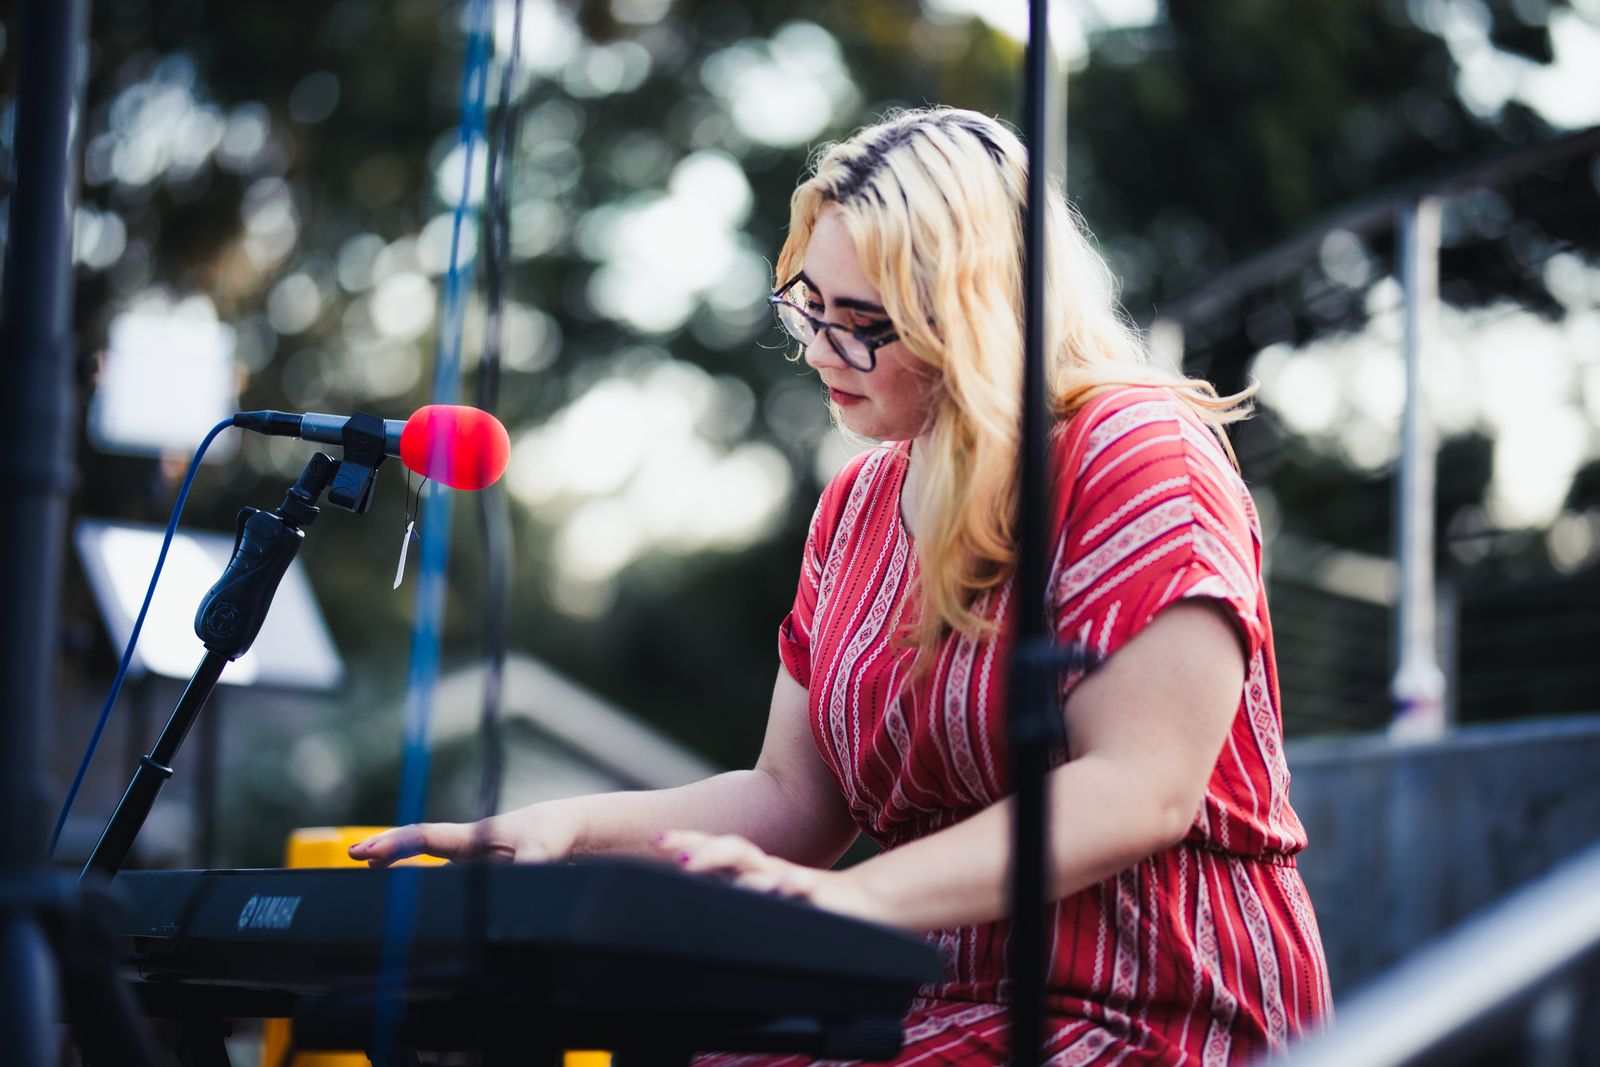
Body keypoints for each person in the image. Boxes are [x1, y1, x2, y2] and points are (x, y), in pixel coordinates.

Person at [351, 106, 1332, 1064]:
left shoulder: (1136, 450)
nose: (821, 349)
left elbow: (1139, 788)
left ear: (980, 315)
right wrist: (572, 830)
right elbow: (791, 799)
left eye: (863, 323)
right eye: (808, 306)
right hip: (936, 1004)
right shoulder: (856, 504)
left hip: (1153, 1010)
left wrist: (853, 897)